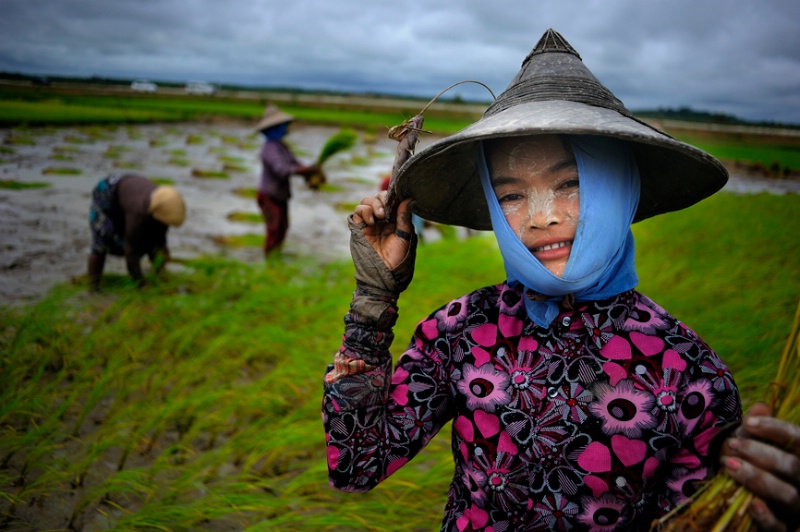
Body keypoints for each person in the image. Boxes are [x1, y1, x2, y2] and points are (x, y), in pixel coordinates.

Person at [321, 29, 800, 530]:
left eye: (570, 184)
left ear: (621, 188)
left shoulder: (690, 375)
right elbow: (357, 464)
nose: (541, 217)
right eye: (511, 194)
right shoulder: (461, 331)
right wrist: (373, 299)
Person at [87, 173, 185, 291]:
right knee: (102, 242)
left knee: (151, 241)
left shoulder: (163, 205)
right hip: (108, 193)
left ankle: (159, 275)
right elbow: (131, 251)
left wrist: (162, 255)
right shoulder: (138, 214)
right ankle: (93, 287)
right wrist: (140, 283)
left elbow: (159, 237)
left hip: (130, 192)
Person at [255, 104, 317, 256]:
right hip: (270, 196)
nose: (287, 128)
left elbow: (294, 164)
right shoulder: (270, 148)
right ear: (273, 128)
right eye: (284, 126)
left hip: (279, 195)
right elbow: (282, 170)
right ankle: (270, 260)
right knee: (274, 229)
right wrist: (304, 171)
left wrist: (310, 170)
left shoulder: (281, 146)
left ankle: (276, 257)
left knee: (283, 227)